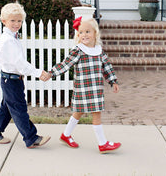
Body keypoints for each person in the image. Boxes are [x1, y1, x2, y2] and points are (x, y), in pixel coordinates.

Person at [43, 17, 121, 154]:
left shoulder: (99, 50)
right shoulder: (78, 50)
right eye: (81, 32)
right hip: (83, 89)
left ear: (95, 33)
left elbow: (107, 67)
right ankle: (103, 144)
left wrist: (112, 81)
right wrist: (51, 73)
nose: (84, 35)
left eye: (87, 31)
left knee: (78, 112)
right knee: (95, 114)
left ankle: (66, 135)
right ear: (77, 35)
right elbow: (65, 64)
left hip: (96, 89)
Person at [0, 2, 51, 148]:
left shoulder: (12, 37)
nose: (16, 24)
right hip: (11, 80)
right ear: (4, 21)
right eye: (12, 20)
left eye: (19, 20)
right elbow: (19, 63)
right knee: (19, 109)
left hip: (11, 79)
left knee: (7, 108)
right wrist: (38, 73)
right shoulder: (8, 41)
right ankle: (31, 138)